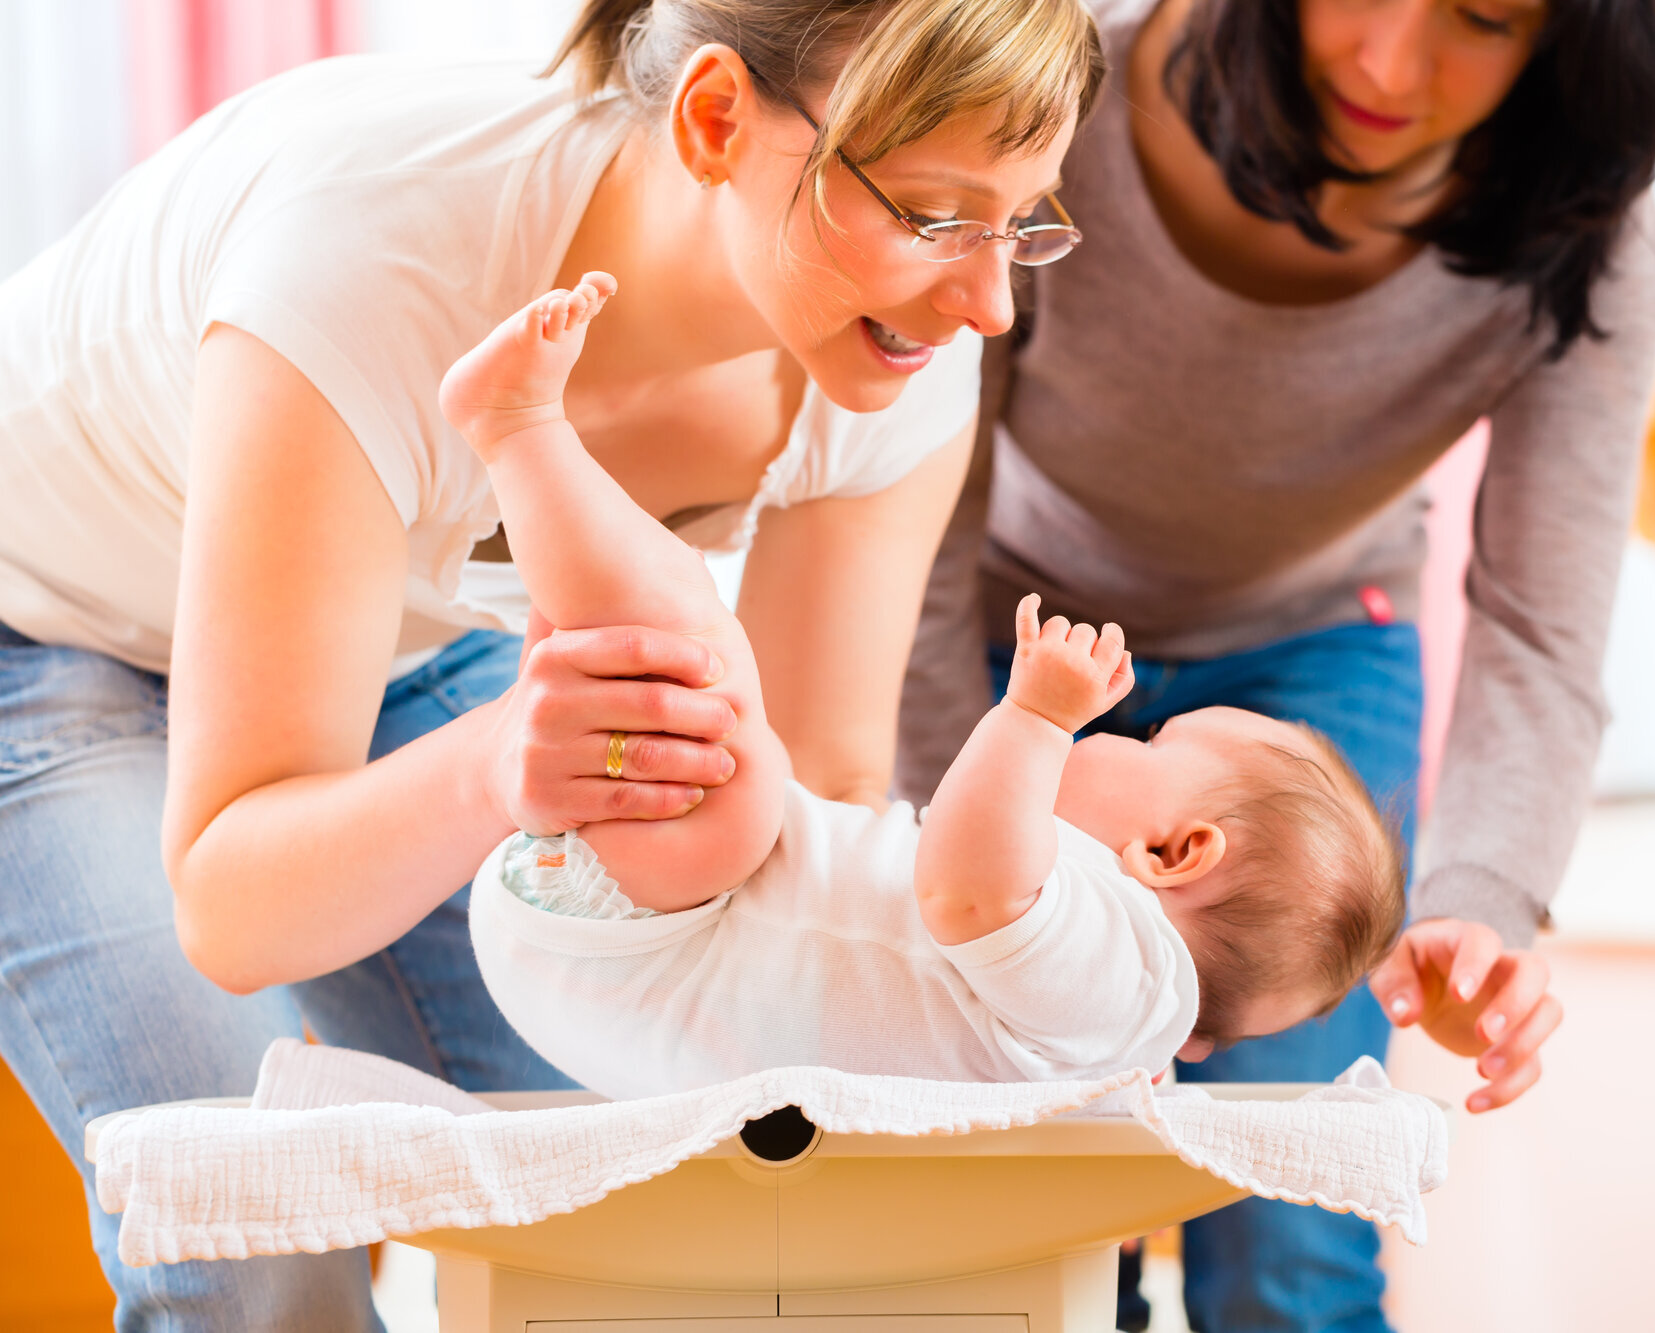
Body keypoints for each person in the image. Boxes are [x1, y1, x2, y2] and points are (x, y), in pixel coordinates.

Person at [0, 0, 1105, 1323]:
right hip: (41, 631)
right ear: (712, 121)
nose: (988, 302)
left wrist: (1008, 1028)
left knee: (630, 1192)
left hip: (403, 643)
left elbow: (813, 812)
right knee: (263, 1246)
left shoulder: (897, 351)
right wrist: (487, 766)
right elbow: (235, 916)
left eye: (1024, 220)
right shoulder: (382, 252)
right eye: (934, 214)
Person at [895, 0, 1655, 1326]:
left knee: (1292, 1240)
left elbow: (1543, 620)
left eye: (1484, 19)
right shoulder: (1062, 106)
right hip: (1016, 659)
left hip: (1312, 662)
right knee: (987, 1192)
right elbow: (911, 525)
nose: (1391, 66)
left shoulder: (1582, 227)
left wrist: (1481, 904)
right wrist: (939, 835)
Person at [441, 272, 1405, 1095]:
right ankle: (566, 588)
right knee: (695, 714)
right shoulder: (1107, 1024)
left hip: (646, 950)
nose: (1120, 733)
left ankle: (516, 427)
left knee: (707, 682)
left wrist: (1035, 717)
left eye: (1152, 746)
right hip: (640, 957)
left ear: (1174, 852)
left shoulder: (1124, 973)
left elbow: (969, 890)